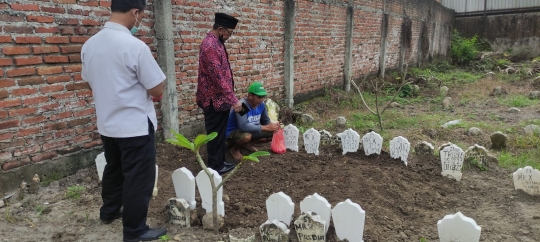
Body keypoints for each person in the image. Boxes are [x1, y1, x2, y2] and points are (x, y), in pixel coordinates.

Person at [81, 0, 167, 241]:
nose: (140, 20)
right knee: (138, 177)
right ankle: (135, 230)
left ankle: (109, 211)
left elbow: (90, 81)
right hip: (134, 125)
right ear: (134, 12)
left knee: (114, 168)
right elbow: (157, 88)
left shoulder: (89, 45)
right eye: (141, 15)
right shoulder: (134, 46)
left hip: (108, 123)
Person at [196, 13, 242, 175]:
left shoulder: (216, 42)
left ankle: (219, 161)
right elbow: (218, 78)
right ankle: (215, 166)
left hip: (219, 100)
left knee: (220, 132)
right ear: (221, 29)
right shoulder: (210, 46)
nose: (230, 36)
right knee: (215, 134)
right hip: (213, 100)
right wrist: (234, 100)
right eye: (229, 32)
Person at [226, 82, 280, 161]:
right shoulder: (242, 105)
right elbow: (243, 126)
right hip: (232, 134)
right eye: (259, 97)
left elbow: (266, 122)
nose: (261, 100)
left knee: (274, 132)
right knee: (246, 136)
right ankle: (234, 150)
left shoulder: (261, 105)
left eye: (263, 97)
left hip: (250, 131)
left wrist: (274, 126)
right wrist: (265, 127)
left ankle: (247, 144)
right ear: (250, 96)